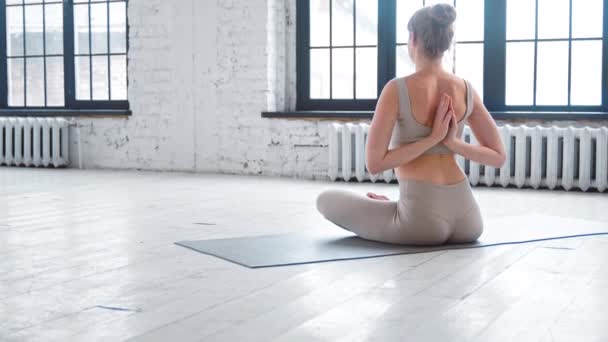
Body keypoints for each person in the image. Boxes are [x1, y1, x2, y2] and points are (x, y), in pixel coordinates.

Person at [316, 3, 506, 245]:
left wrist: (432, 139)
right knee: (395, 208)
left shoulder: (396, 89)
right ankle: (396, 207)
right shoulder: (466, 89)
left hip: (421, 222)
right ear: (446, 42)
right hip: (469, 219)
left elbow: (375, 164)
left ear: (413, 39)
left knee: (325, 199)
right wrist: (453, 143)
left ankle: (396, 209)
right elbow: (499, 157)